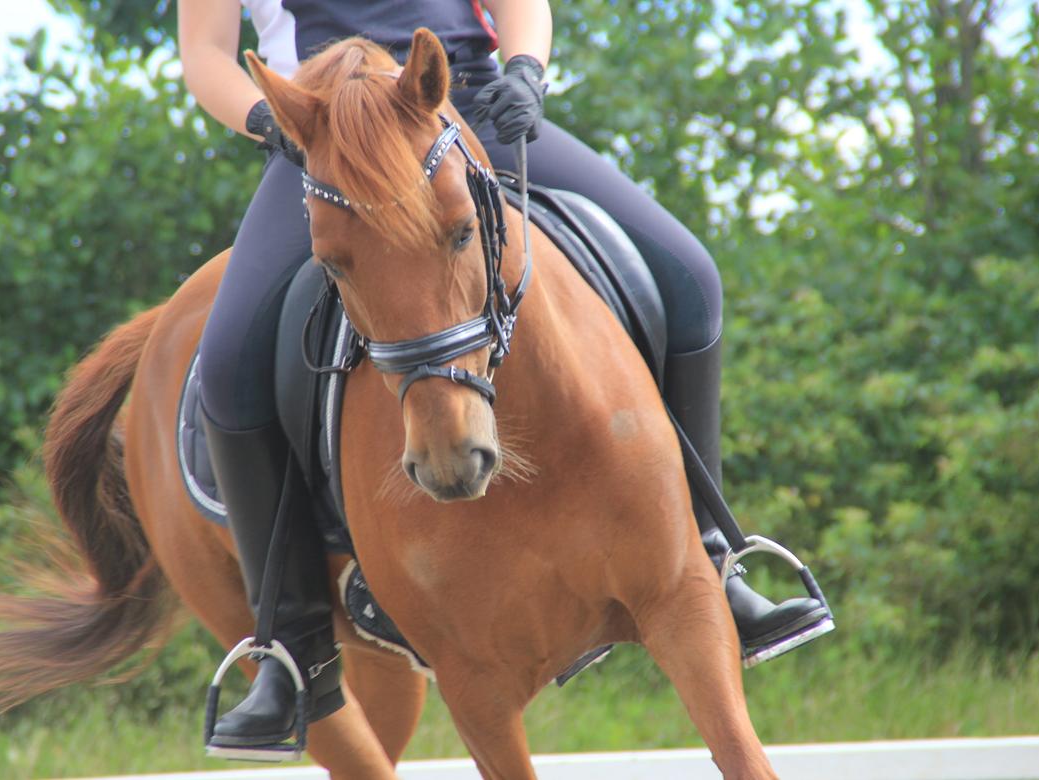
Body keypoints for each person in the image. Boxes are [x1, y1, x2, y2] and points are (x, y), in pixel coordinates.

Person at [177, 0, 831, 757]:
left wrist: (525, 72)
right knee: (227, 366)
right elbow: (206, 55)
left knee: (690, 278)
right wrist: (275, 124)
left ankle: (716, 552)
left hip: (465, 108)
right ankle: (291, 649)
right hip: (326, 148)